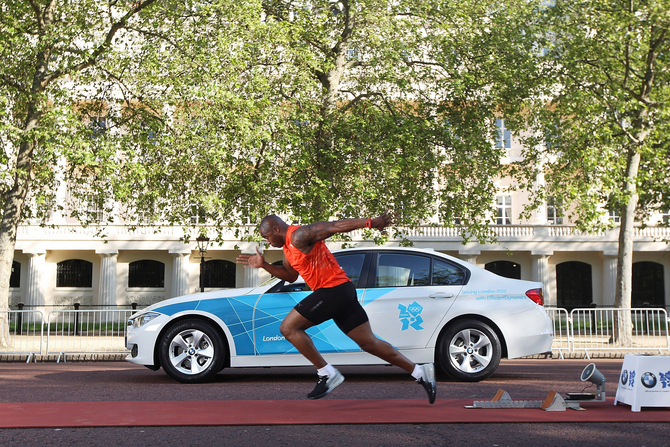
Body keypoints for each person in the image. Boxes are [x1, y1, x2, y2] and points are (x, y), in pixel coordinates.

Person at [236, 212, 437, 403]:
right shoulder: (288, 250)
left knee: (288, 328)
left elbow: (333, 226)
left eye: (267, 236)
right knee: (369, 343)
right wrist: (264, 265)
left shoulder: (298, 235)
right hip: (342, 292)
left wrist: (370, 223)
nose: (267, 241)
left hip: (333, 290)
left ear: (276, 229)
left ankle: (326, 373)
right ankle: (420, 372)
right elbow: (291, 276)